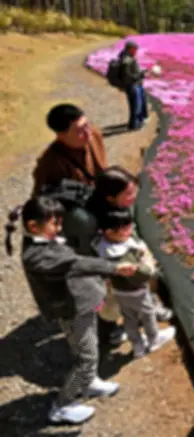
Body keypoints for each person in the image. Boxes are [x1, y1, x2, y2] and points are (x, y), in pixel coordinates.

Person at [17, 196, 138, 425]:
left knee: (85, 345)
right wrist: (113, 268)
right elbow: (76, 264)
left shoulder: (43, 242)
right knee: (86, 358)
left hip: (83, 305)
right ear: (34, 226)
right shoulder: (37, 256)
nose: (60, 229)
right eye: (55, 224)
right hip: (73, 309)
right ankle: (62, 405)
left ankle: (90, 382)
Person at [30, 104, 126, 347]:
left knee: (122, 261)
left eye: (87, 125)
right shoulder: (49, 163)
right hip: (81, 227)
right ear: (60, 135)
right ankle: (107, 327)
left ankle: (129, 306)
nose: (87, 133)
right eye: (79, 131)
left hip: (104, 212)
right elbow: (41, 203)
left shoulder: (94, 135)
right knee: (96, 276)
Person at [85, 166, 173, 322]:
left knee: (144, 284)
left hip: (131, 255)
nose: (134, 196)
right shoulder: (102, 220)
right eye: (128, 194)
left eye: (134, 190)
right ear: (111, 198)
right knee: (122, 295)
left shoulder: (119, 206)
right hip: (117, 265)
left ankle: (150, 308)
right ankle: (113, 327)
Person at [94, 210, 176, 358]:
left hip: (118, 291)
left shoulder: (101, 245)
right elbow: (145, 273)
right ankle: (154, 339)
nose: (130, 231)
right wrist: (145, 260)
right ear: (110, 232)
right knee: (148, 315)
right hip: (136, 291)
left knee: (129, 318)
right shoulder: (125, 252)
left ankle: (137, 345)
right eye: (125, 229)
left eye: (130, 226)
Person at [118, 40, 149, 131]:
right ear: (130, 49)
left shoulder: (129, 57)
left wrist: (140, 73)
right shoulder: (126, 59)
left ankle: (138, 122)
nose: (136, 51)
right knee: (135, 105)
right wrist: (140, 75)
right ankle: (134, 125)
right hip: (132, 85)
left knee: (138, 104)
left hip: (135, 84)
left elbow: (132, 71)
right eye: (135, 49)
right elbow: (127, 74)